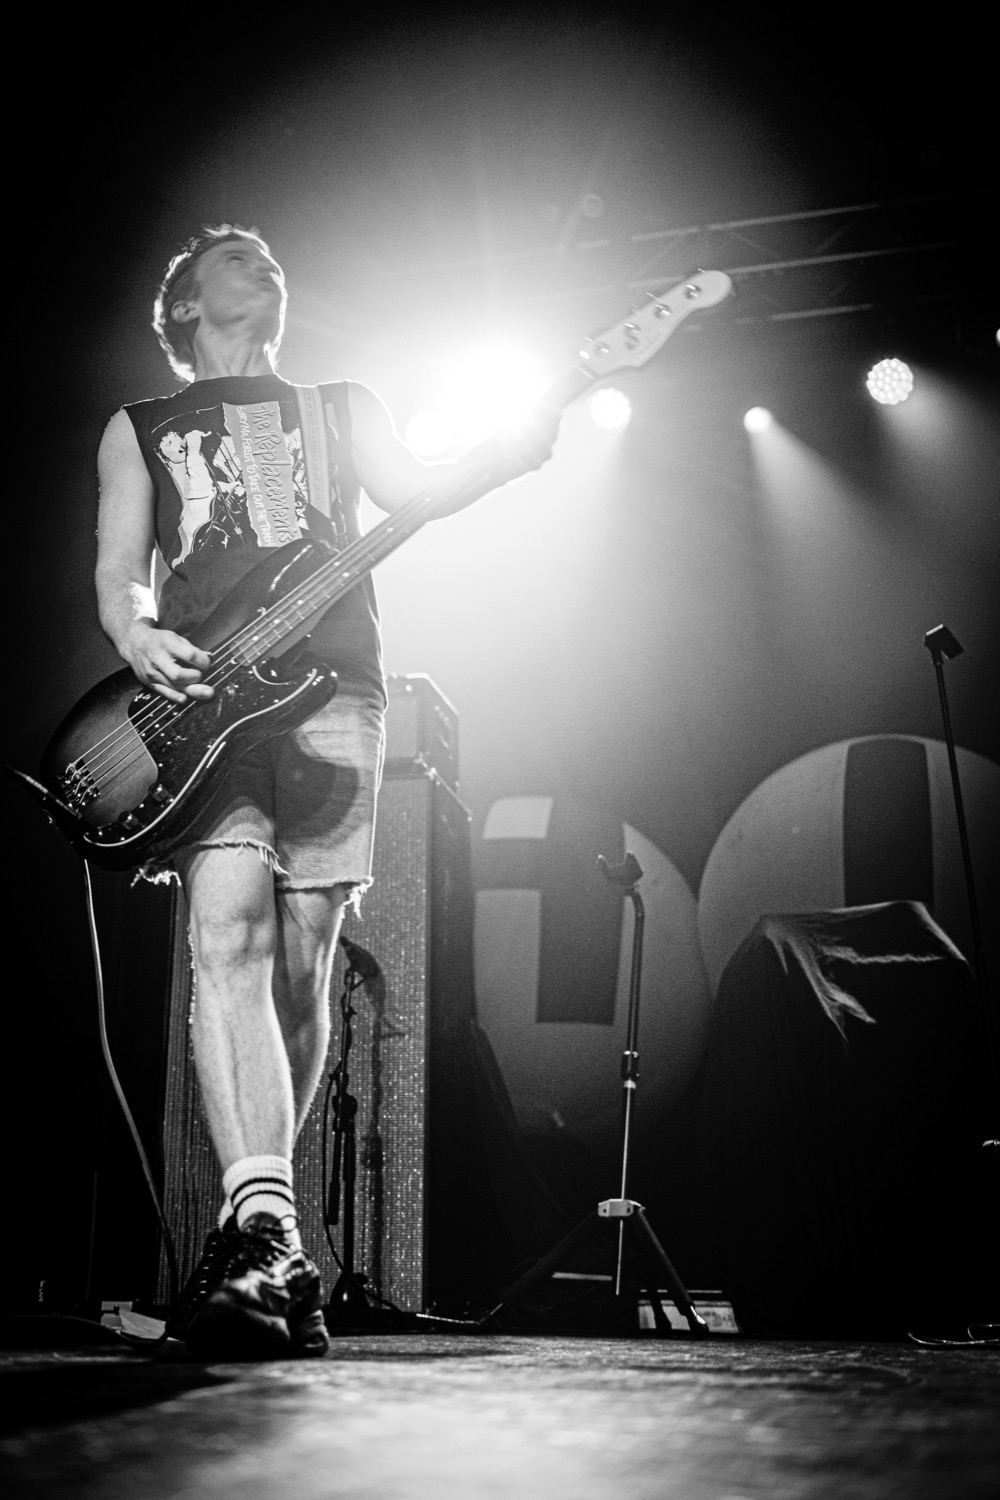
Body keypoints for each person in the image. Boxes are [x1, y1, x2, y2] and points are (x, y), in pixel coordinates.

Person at [96, 224, 559, 1358]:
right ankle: (268, 1227)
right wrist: (137, 636)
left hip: (336, 686)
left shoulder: (339, 406)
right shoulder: (140, 426)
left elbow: (420, 493)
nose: (265, 267)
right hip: (208, 703)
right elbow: (119, 572)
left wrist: (507, 452)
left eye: (271, 260)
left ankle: (262, 1239)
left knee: (304, 955)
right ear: (184, 303)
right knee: (226, 933)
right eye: (235, 258)